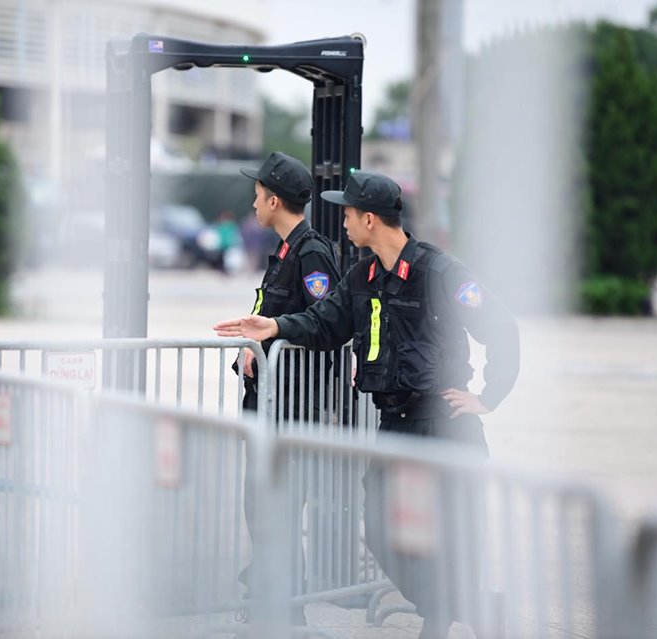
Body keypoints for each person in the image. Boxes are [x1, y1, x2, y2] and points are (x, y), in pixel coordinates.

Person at [215, 170, 520, 639]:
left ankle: (439, 620)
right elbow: (324, 322)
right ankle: (472, 609)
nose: (344, 223)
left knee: (449, 534)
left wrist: (488, 395)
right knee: (381, 529)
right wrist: (275, 326)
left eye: (349, 214)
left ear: (371, 219)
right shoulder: (362, 275)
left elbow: (499, 324)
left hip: (443, 422)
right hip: (393, 423)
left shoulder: (439, 272)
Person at [232, 152, 341, 625]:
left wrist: (274, 333)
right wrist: (253, 346)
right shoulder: (283, 252)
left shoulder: (311, 253)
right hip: (268, 403)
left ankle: (286, 617)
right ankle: (272, 607)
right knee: (261, 509)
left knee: (278, 512)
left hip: (292, 407)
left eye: (258, 195)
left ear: (274, 200)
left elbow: (326, 322)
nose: (254, 204)